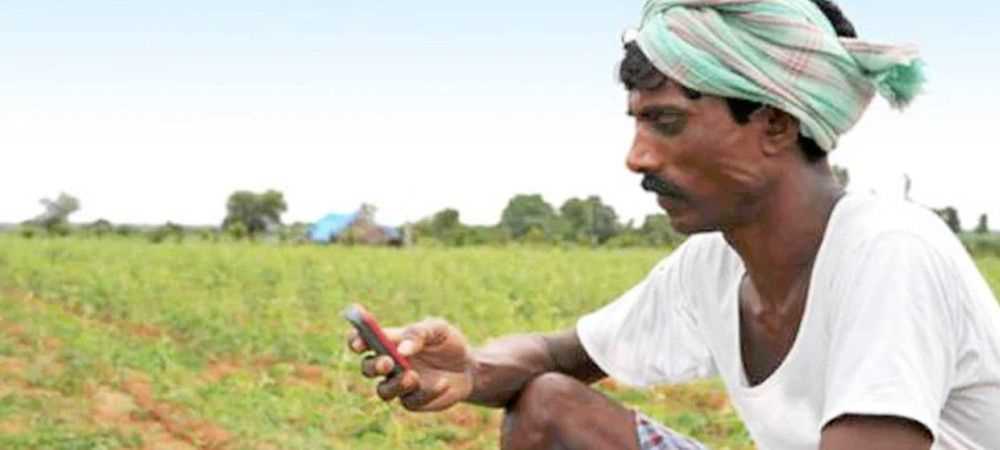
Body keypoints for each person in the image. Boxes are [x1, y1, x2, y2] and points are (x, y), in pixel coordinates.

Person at [347, 1, 1000, 448]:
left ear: (774, 123)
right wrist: (470, 371)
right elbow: (557, 358)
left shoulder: (888, 251)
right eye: (636, 123)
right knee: (549, 406)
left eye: (666, 122)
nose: (637, 157)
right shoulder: (714, 265)